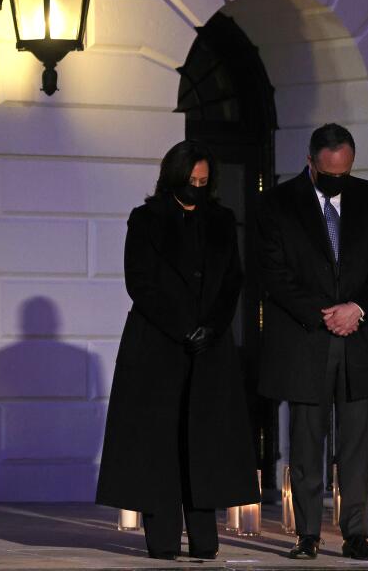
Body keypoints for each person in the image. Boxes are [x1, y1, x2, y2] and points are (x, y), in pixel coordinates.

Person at [97, 140, 258, 560]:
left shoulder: (222, 220)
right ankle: (163, 540)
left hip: (210, 349)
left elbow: (232, 281)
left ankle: (205, 540)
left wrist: (212, 328)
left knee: (204, 443)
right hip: (158, 346)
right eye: (191, 181)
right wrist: (183, 327)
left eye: (204, 182)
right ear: (174, 178)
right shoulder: (146, 219)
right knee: (159, 443)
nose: (198, 189)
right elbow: (140, 283)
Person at [257, 123, 368, 561]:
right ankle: (306, 534)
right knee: (305, 441)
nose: (339, 181)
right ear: (311, 162)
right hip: (307, 339)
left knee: (359, 442)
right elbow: (273, 272)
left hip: (360, 337)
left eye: (345, 172)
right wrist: (325, 314)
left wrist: (355, 307)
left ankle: (355, 533)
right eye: (330, 173)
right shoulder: (279, 203)